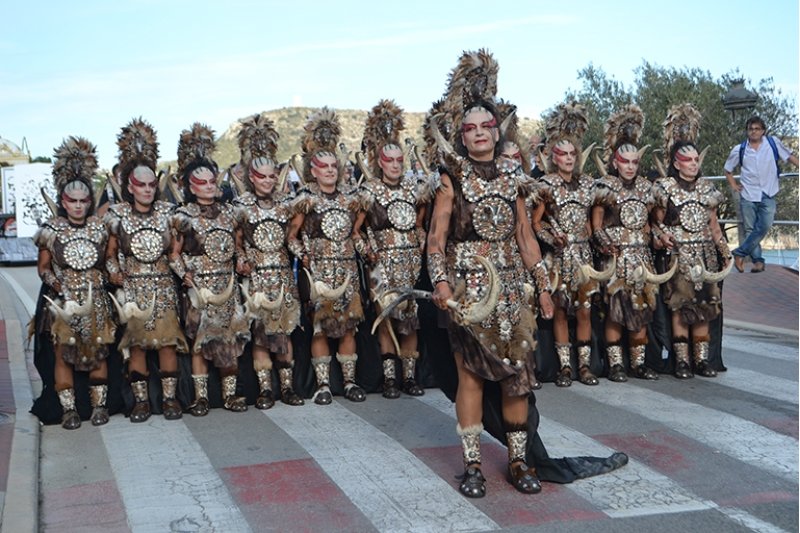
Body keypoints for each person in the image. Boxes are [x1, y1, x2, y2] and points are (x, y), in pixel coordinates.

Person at [105, 118, 189, 422]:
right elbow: (110, 255)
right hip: (133, 290)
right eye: (141, 184)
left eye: (153, 184)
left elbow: (174, 253)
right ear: (129, 185)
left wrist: (185, 274)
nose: (148, 189)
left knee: (168, 342)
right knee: (136, 345)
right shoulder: (117, 216)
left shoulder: (169, 214)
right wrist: (115, 273)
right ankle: (140, 402)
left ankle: (169, 400)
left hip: (164, 288)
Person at [33, 137, 116, 429]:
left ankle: (99, 406)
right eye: (72, 201)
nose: (78, 206)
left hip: (96, 302)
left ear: (89, 201)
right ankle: (68, 410)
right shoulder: (50, 230)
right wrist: (58, 286)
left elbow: (109, 260)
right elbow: (43, 268)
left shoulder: (100, 227)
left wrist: (113, 275)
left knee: (98, 351)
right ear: (63, 200)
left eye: (83, 201)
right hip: (62, 304)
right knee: (63, 354)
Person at [287, 107, 366, 405]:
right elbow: (291, 237)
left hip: (347, 274)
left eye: (334, 165)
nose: (330, 170)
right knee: (320, 328)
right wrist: (304, 255)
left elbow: (356, 233)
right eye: (324, 166)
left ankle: (349, 382)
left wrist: (363, 248)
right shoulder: (305, 201)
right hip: (319, 274)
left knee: (348, 326)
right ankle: (322, 385)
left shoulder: (351, 199)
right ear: (314, 170)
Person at [170, 123, 250, 415]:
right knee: (200, 343)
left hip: (227, 287)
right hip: (198, 289)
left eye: (212, 181)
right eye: (202, 182)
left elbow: (239, 246)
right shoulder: (183, 216)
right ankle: (201, 397)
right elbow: (174, 255)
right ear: (191, 186)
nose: (209, 186)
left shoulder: (231, 213)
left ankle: (230, 396)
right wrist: (186, 277)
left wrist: (241, 261)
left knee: (230, 340)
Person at [353, 99, 430, 398]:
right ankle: (389, 379)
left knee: (410, 323)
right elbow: (355, 231)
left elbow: (421, 224)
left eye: (400, 160)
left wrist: (420, 244)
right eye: (390, 160)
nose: (396, 165)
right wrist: (367, 251)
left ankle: (409, 377)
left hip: (409, 265)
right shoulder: (369, 191)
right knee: (385, 319)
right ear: (379, 162)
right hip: (381, 267)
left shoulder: (414, 189)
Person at [532, 102, 610, 388]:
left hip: (584, 256)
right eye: (561, 154)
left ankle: (586, 367)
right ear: (553, 156)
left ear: (578, 156)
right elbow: (536, 223)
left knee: (585, 310)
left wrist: (600, 240)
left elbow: (593, 224)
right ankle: (565, 368)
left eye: (571, 154)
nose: (567, 158)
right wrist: (553, 239)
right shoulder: (546, 185)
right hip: (558, 259)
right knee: (562, 311)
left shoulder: (589, 184)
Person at [652, 104, 731, 379]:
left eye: (697, 159)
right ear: (676, 163)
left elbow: (714, 227)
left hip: (705, 256)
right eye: (689, 160)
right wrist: (662, 236)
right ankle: (682, 361)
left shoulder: (708, 189)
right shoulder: (664, 189)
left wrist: (725, 253)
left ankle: (701, 360)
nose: (694, 163)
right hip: (678, 258)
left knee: (705, 309)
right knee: (679, 308)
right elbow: (655, 222)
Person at [233, 114, 304, 408]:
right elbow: (236, 244)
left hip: (284, 277)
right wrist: (242, 260)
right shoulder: (241, 207)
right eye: (261, 176)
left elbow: (292, 239)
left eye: (272, 175)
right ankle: (265, 390)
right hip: (257, 280)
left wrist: (304, 253)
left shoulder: (288, 205)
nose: (267, 180)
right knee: (261, 336)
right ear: (251, 177)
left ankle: (287, 388)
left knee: (285, 332)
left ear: (278, 176)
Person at [591, 106, 666, 381]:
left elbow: (650, 224)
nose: (631, 166)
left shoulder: (648, 188)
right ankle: (616, 366)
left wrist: (658, 237)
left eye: (635, 162)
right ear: (615, 162)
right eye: (625, 161)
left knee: (642, 310)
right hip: (615, 259)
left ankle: (638, 364)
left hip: (642, 260)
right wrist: (603, 243)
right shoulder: (605, 187)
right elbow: (596, 226)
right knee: (615, 311)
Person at [724, 116, 798, 273]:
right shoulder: (740, 149)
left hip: (768, 192)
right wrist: (734, 185)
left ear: (763, 130)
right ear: (747, 131)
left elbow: (789, 156)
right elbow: (728, 169)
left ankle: (739, 253)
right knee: (750, 229)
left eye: (757, 128)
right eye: (751, 129)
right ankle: (758, 261)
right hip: (748, 194)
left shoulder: (772, 143)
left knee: (764, 225)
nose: (753, 131)